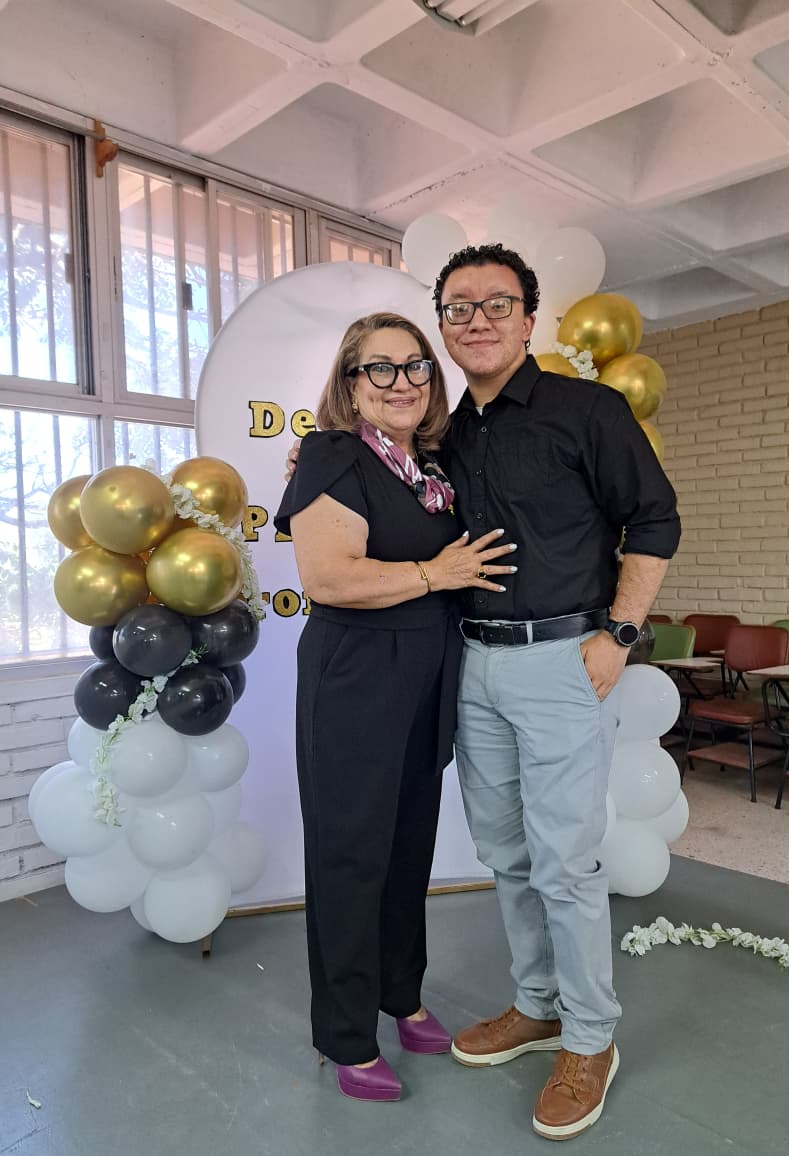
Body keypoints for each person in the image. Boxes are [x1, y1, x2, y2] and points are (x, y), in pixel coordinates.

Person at [432, 244, 680, 1141]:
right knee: (504, 852)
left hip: (562, 661)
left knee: (565, 862)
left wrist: (619, 635)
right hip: (473, 662)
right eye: (458, 307)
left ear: (529, 319)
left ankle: (588, 1038)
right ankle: (536, 1005)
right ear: (443, 326)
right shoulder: (445, 434)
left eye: (496, 303)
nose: (478, 320)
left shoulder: (587, 410)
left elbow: (654, 519)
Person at [273, 312, 517, 1104]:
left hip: (427, 673)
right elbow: (328, 578)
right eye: (379, 368)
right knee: (350, 856)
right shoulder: (333, 454)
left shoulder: (429, 468)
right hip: (356, 675)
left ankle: (400, 996)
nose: (401, 382)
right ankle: (346, 1036)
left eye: (415, 366)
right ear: (351, 385)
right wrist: (435, 574)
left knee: (408, 847)